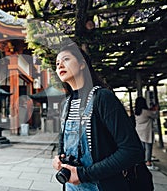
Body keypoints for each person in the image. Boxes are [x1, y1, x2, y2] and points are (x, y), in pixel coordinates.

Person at [52, 41, 146, 191]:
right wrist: (59, 158)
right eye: (57, 63)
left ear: (82, 64)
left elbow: (131, 150)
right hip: (71, 186)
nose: (59, 65)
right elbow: (64, 141)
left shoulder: (102, 97)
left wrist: (84, 174)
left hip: (102, 186)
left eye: (66, 59)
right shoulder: (66, 104)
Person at [134, 97, 159, 171]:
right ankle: (148, 162)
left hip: (139, 131)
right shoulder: (145, 111)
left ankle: (143, 160)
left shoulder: (136, 111)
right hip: (146, 131)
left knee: (142, 147)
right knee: (148, 147)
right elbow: (155, 116)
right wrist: (156, 109)